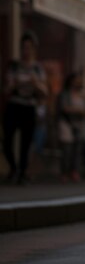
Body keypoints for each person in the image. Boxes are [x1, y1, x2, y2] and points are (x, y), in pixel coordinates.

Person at [3, 32, 47, 185]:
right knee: (7, 139)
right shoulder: (15, 66)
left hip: (29, 106)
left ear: (34, 49)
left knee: (26, 142)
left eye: (29, 47)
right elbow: (6, 89)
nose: (26, 51)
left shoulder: (37, 68)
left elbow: (44, 91)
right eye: (24, 47)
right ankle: (13, 167)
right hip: (14, 105)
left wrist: (35, 84)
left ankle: (22, 172)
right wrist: (15, 84)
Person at [57, 72, 85, 182]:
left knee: (77, 150)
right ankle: (64, 172)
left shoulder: (82, 95)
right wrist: (78, 110)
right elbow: (64, 108)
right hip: (67, 123)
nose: (78, 83)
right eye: (76, 80)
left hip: (79, 124)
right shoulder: (65, 94)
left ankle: (74, 171)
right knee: (67, 149)